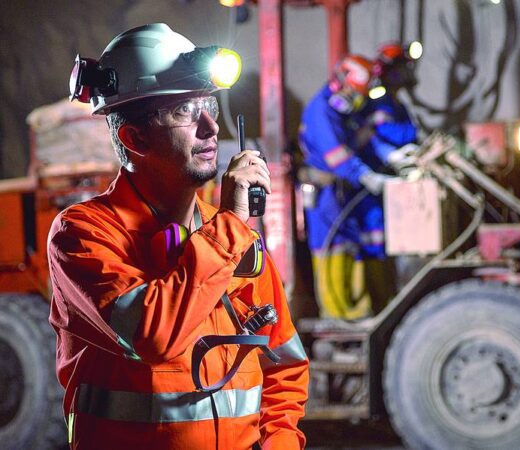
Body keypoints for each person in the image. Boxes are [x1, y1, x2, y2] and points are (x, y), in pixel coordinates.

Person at [48, 23, 308, 450]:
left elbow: (285, 362)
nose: (209, 127)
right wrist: (230, 227)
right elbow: (154, 336)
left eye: (208, 105)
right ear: (134, 138)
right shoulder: (82, 235)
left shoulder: (233, 235)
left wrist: (280, 443)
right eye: (183, 111)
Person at [298, 54, 397, 320]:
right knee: (331, 246)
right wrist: (368, 176)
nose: (357, 100)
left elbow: (363, 137)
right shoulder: (321, 111)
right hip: (324, 192)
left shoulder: (342, 112)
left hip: (342, 191)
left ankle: (356, 310)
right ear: (340, 84)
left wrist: (390, 154)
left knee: (350, 243)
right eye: (354, 92)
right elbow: (338, 158)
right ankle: (336, 314)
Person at [365, 42, 421, 171]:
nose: (408, 72)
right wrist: (415, 133)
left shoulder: (396, 101)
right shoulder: (379, 101)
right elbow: (391, 133)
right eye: (404, 67)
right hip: (385, 167)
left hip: (403, 160)